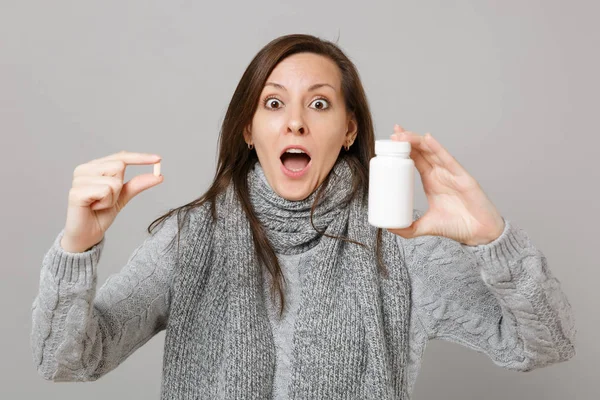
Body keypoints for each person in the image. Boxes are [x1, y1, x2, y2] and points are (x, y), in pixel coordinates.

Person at [30, 33, 576, 399]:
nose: (295, 122)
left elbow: (544, 344)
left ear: (349, 130)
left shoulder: (400, 242)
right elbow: (68, 362)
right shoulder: (188, 240)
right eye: (273, 103)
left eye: (318, 104)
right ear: (249, 131)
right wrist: (77, 248)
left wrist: (492, 239)